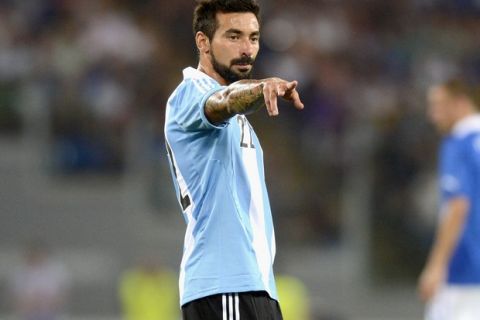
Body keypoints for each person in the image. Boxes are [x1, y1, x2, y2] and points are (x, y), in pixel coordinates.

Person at [164, 0, 304, 318]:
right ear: (203, 42)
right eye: (233, 36)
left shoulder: (240, 122)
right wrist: (260, 88)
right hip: (225, 285)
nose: (246, 48)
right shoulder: (190, 93)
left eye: (253, 38)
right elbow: (221, 102)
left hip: (254, 285)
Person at [418, 78, 480, 319]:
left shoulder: (459, 143)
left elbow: (457, 205)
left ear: (461, 103)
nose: (433, 115)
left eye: (439, 106)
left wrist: (436, 266)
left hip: (464, 271)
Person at [8, 240, 70, 320]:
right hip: (27, 313)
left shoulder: (57, 270)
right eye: (34, 254)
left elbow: (64, 295)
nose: (37, 257)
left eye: (39, 254)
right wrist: (31, 303)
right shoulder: (20, 272)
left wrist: (47, 303)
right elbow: (15, 298)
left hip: (52, 313)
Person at [119, 256, 179, 320]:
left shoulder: (165, 284)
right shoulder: (135, 284)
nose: (151, 269)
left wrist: (161, 276)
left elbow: (172, 290)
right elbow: (127, 290)